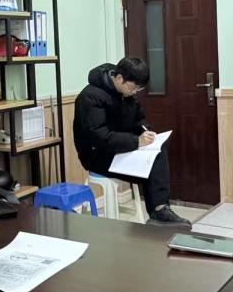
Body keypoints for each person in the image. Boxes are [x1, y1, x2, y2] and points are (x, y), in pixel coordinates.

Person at [73, 58, 189, 225]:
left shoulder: (126, 94)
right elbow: (100, 138)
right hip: (97, 155)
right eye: (132, 87)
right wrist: (136, 141)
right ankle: (159, 211)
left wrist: (146, 131)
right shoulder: (90, 97)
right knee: (152, 164)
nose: (134, 92)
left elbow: (138, 119)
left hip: (120, 148)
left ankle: (160, 209)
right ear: (119, 78)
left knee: (157, 151)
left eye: (138, 89)